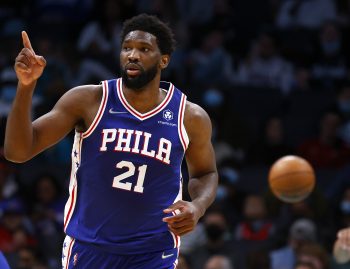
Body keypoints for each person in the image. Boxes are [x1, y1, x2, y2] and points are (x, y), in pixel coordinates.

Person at [4, 14, 218, 269]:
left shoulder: (189, 116)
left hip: (153, 251)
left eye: (144, 49)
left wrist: (198, 206)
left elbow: (206, 173)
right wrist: (26, 86)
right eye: (127, 48)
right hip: (90, 247)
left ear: (164, 60)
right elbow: (17, 152)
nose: (132, 55)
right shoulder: (89, 100)